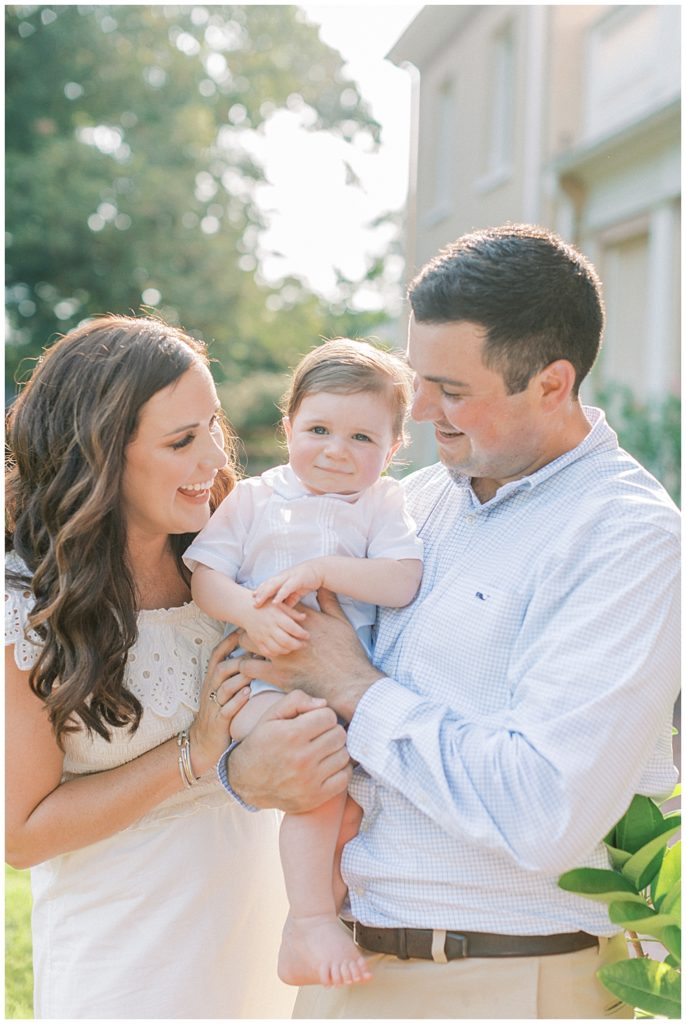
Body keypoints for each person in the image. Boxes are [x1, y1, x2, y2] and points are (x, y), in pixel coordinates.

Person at [218, 224, 680, 1019]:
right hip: (347, 969)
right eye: (417, 378)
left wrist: (356, 688)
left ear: (552, 383)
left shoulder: (629, 538)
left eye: (452, 390)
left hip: (500, 981)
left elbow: (544, 814)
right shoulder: (413, 503)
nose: (420, 409)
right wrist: (248, 764)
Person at [4, 314, 350, 1019]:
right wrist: (194, 753)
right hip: (130, 963)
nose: (215, 460)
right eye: (181, 441)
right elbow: (22, 833)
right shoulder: (29, 605)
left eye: (214, 427)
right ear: (99, 456)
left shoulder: (233, 558)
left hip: (261, 931)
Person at [183, 339, 423, 988]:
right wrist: (251, 613)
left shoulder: (382, 504)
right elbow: (208, 578)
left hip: (347, 684)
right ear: (288, 426)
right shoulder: (258, 498)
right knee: (317, 780)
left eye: (362, 438)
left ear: (393, 448)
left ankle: (333, 912)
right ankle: (309, 922)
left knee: (350, 810)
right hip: (266, 682)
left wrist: (322, 570)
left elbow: (401, 582)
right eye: (318, 429)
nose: (337, 451)